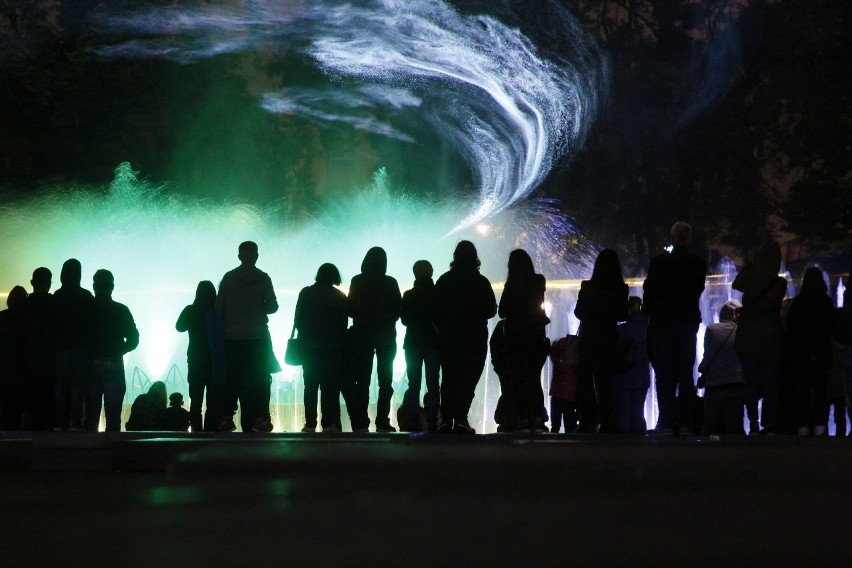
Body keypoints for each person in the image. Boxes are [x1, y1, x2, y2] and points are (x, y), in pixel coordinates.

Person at [643, 222, 707, 435]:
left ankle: (667, 423)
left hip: (663, 323)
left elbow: (649, 289)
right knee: (685, 374)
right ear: (688, 238)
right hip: (686, 324)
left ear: (672, 237)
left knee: (664, 375)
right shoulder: (698, 264)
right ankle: (686, 423)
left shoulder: (659, 263)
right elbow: (696, 291)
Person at [433, 240, 497, 433]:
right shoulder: (481, 282)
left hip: (449, 337)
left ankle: (445, 418)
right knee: (469, 378)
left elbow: (434, 309)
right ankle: (461, 417)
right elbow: (491, 310)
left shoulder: (445, 280)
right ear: (475, 258)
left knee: (449, 377)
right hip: (474, 337)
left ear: (455, 257)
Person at [216, 241, 279, 433]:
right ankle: (259, 418)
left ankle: (227, 417)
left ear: (239, 256)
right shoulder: (263, 278)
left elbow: (219, 309)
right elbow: (273, 307)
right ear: (256, 256)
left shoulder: (229, 278)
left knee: (232, 378)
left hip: (233, 337)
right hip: (257, 337)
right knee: (259, 378)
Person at [732, 239, 787, 434]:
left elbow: (736, 284)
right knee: (771, 381)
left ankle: (753, 422)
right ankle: (768, 422)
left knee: (750, 380)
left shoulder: (750, 278)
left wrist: (750, 264)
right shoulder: (780, 283)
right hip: (772, 337)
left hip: (748, 337)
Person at [574, 249, 629, 433]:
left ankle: (587, 418)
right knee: (606, 378)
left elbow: (578, 312)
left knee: (585, 377)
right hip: (608, 336)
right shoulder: (621, 288)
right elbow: (623, 315)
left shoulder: (587, 286)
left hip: (589, 336)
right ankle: (607, 418)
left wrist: (592, 313)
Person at [347, 247, 401, 433]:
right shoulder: (390, 282)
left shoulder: (357, 281)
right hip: (386, 337)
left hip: (363, 337)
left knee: (362, 381)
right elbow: (398, 310)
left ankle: (361, 422)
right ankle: (382, 420)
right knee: (385, 382)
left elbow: (350, 309)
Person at [497, 249, 550, 432]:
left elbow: (502, 311)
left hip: (515, 339)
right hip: (536, 338)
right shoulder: (539, 281)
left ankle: (522, 417)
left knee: (519, 378)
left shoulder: (511, 285)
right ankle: (536, 416)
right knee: (534, 378)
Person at [294, 263, 348, 433]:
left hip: (309, 347)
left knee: (310, 386)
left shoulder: (306, 293)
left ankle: (310, 423)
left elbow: (298, 321)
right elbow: (343, 325)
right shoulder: (339, 296)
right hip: (331, 349)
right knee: (329, 387)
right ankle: (328, 423)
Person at [87, 269, 139, 432]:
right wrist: (118, 351)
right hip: (114, 364)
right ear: (112, 286)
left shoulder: (86, 309)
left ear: (94, 286)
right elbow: (134, 339)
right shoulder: (121, 310)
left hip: (89, 365)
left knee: (90, 417)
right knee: (113, 417)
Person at [787, 267, 836, 436]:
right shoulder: (826, 301)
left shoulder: (798, 303)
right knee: (821, 390)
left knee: (803, 390)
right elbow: (832, 327)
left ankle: (803, 425)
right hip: (822, 353)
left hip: (802, 354)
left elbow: (791, 329)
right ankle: (821, 425)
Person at [53, 259, 95, 431]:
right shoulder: (86, 296)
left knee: (60, 386)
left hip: (61, 348)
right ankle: (76, 422)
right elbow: (93, 324)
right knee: (78, 386)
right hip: (81, 349)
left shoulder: (57, 296)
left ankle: (58, 422)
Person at [400, 260, 441, 432]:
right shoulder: (438, 294)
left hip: (413, 343)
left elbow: (404, 320)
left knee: (414, 383)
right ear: (431, 273)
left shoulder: (409, 295)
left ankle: (413, 419)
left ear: (414, 274)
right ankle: (432, 419)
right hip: (433, 343)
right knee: (433, 383)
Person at [175, 281, 221, 432]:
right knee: (213, 402)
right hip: (214, 361)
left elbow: (179, 327)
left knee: (195, 401)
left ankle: (196, 432)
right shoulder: (218, 311)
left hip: (195, 360)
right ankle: (210, 431)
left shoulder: (192, 310)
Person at [698, 300, 744, 436]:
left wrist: (702, 371)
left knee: (711, 424)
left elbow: (708, 356)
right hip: (736, 383)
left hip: (714, 383)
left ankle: (709, 450)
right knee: (733, 424)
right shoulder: (742, 331)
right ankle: (733, 453)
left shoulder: (712, 330)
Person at [612, 296, 650, 434]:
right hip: (642, 377)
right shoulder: (648, 328)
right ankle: (642, 447)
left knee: (623, 414)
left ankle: (624, 449)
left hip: (623, 376)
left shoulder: (622, 329)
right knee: (638, 413)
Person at [24, 267, 56, 430]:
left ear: (32, 283)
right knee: (50, 410)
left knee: (33, 410)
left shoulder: (24, 306)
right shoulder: (55, 304)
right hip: (52, 365)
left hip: (28, 365)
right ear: (50, 283)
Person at [0, 286, 28, 430]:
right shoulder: (28, 321)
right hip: (22, 370)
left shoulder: (2, 317)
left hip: (4, 369)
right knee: (18, 411)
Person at [548, 331, 579, 433]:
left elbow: (552, 350)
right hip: (570, 395)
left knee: (555, 424)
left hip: (557, 393)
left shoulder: (558, 364)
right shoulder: (574, 365)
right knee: (569, 423)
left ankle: (554, 434)